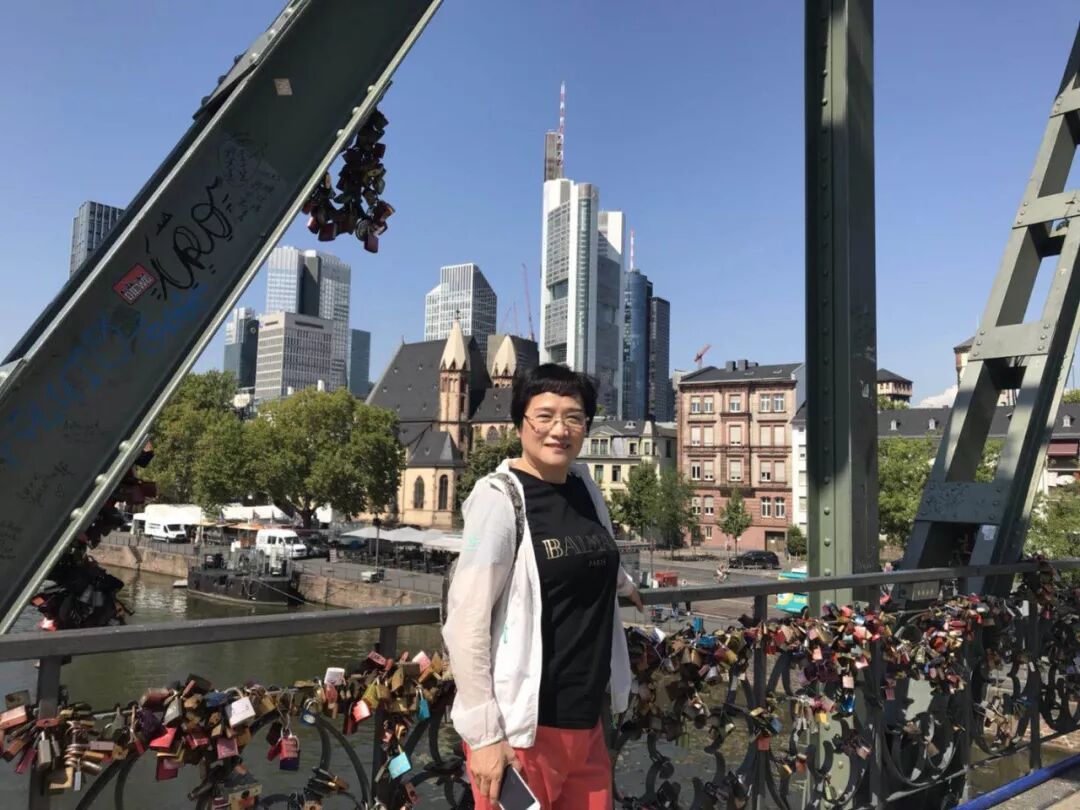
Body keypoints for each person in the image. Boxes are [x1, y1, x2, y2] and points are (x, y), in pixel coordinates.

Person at [443, 364, 644, 809]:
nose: (559, 429)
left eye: (573, 417)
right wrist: (485, 736)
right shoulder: (499, 500)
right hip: (523, 731)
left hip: (587, 724)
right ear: (520, 424)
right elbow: (465, 621)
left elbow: (596, 548)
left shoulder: (584, 486)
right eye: (545, 416)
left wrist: (625, 584)